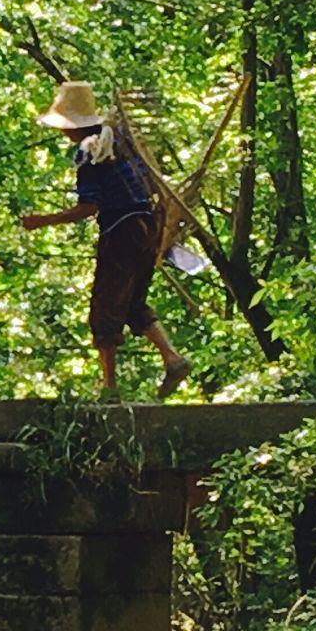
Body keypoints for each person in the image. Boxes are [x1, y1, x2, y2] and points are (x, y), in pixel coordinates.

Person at [19, 78, 193, 403]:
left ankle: (109, 388)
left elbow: (89, 207)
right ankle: (172, 358)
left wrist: (42, 221)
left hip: (122, 231)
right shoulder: (122, 140)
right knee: (133, 303)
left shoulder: (90, 151)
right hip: (149, 228)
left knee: (105, 306)